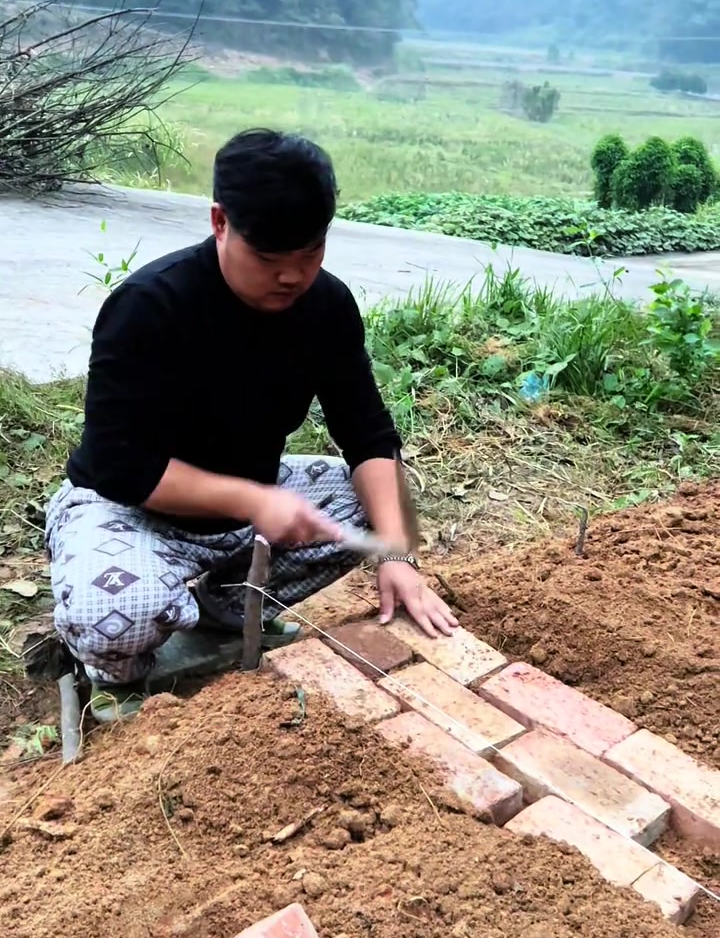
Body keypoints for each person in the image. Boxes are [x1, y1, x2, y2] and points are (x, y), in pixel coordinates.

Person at [46, 129, 457, 721]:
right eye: (268, 259)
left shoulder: (326, 307)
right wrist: (252, 497)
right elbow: (119, 464)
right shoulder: (148, 306)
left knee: (375, 499)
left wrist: (396, 555)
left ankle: (228, 605)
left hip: (247, 509)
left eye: (310, 254)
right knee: (116, 613)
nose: (292, 277)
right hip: (129, 507)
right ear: (220, 222)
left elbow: (367, 434)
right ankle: (117, 674)